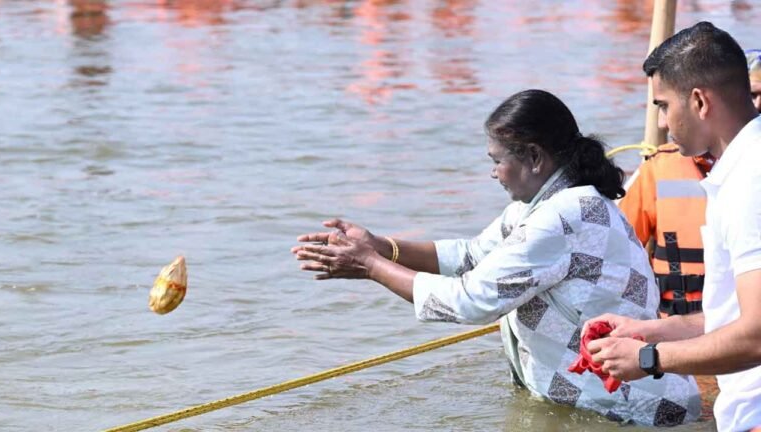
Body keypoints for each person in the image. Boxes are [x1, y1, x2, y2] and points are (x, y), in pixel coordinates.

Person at [293, 89, 700, 425]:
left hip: (633, 410)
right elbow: (471, 256)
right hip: (597, 404)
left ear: (534, 158)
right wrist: (383, 247)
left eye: (497, 161)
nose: (493, 173)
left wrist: (369, 266)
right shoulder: (539, 206)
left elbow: (471, 302)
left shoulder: (563, 216)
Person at [584, 22, 761, 432]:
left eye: (663, 105)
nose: (662, 123)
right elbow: (733, 316)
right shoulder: (741, 168)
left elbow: (756, 335)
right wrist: (649, 331)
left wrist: (649, 359)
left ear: (698, 101)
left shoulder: (749, 182)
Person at [618, 48, 761, 318]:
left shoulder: (749, 173)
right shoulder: (658, 169)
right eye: (753, 95)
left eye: (665, 106)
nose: (662, 123)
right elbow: (616, 256)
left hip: (732, 333)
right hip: (679, 322)